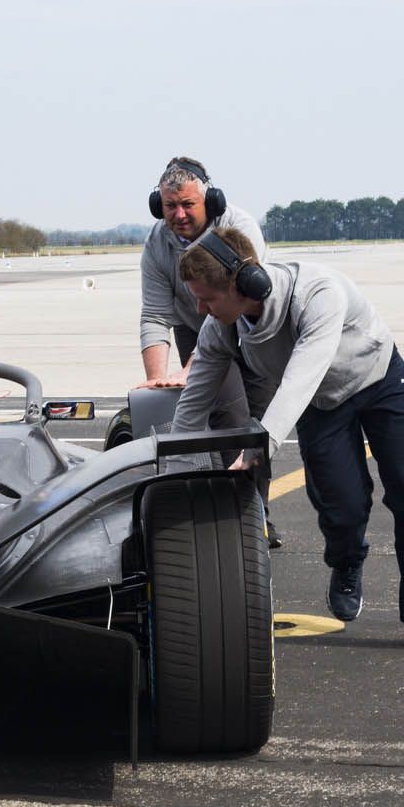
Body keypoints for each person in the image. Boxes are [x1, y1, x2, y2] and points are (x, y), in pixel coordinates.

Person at [175, 225, 404, 653]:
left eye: (208, 298)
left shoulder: (317, 293)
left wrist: (260, 444)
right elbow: (192, 406)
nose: (200, 308)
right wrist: (169, 464)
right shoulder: (221, 328)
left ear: (243, 284)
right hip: (318, 403)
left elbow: (302, 372)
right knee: (344, 507)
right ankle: (347, 558)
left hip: (377, 378)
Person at [137, 155, 280, 545]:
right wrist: (158, 380)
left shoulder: (239, 227)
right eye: (170, 206)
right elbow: (154, 314)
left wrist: (191, 367)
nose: (179, 214)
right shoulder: (156, 244)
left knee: (258, 425)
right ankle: (227, 517)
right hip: (193, 324)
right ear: (158, 206)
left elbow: (238, 304)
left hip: (247, 325)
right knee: (228, 419)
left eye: (188, 205)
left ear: (210, 202)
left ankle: (256, 515)